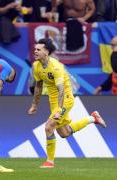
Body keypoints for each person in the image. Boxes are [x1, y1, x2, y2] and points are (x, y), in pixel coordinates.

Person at [28, 38, 106, 168]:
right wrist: (34, 105)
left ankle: (50, 162)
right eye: (35, 49)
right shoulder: (36, 66)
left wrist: (59, 109)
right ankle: (93, 118)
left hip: (65, 99)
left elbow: (61, 89)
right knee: (64, 133)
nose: (35, 51)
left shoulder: (56, 67)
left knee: (48, 127)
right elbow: (38, 86)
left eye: (38, 49)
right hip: (53, 100)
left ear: (46, 52)